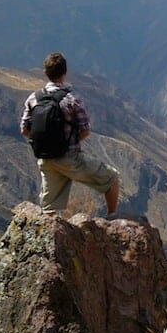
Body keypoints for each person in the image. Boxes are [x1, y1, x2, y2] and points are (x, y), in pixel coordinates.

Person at [20, 52, 119, 215]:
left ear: (45, 73)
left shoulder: (33, 98)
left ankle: (47, 236)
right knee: (112, 179)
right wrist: (66, 143)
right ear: (65, 73)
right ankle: (113, 220)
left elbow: (24, 129)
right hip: (69, 158)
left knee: (48, 210)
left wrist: (44, 142)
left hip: (45, 160)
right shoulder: (72, 99)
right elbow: (85, 130)